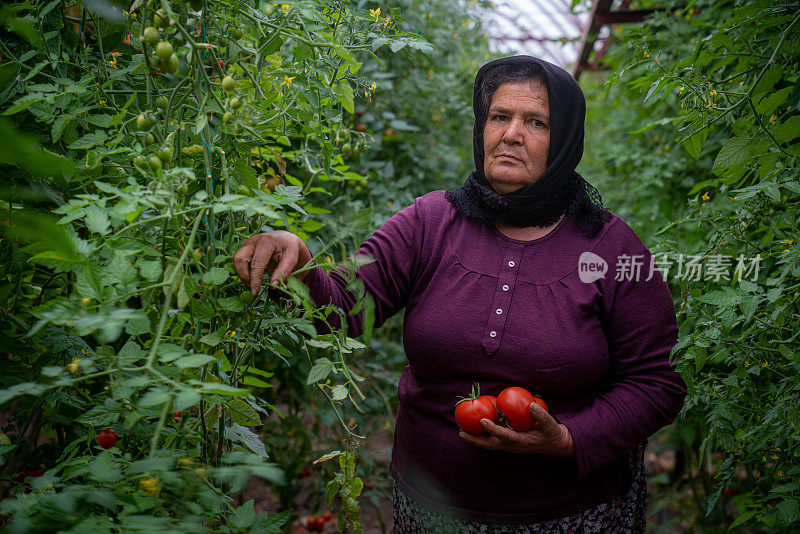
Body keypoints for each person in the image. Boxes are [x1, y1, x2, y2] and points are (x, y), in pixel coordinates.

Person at [233, 55, 687, 533]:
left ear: (566, 140)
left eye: (536, 122)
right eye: (498, 117)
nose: (511, 134)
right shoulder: (430, 223)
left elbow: (657, 382)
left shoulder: (610, 247)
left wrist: (571, 438)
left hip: (575, 515)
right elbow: (345, 308)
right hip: (433, 508)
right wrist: (299, 259)